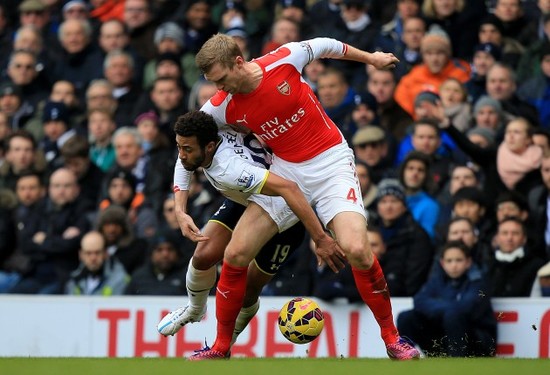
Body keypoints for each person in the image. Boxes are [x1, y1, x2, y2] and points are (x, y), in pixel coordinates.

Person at [170, 33, 419, 360]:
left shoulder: (283, 59)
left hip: (331, 163)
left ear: (239, 62)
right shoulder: (221, 105)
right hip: (285, 170)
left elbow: (327, 44)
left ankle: (392, 341)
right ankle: (220, 347)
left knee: (357, 249)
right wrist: (180, 208)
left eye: (222, 79)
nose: (220, 88)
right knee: (235, 255)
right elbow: (186, 149)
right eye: (213, 83)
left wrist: (371, 58)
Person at [157, 110, 338, 346]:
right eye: (179, 146)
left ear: (209, 147)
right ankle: (194, 310)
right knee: (203, 256)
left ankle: (224, 345)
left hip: (285, 213)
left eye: (187, 149)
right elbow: (185, 163)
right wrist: (180, 211)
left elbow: (289, 189)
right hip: (245, 200)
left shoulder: (230, 171)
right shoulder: (210, 130)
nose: (181, 154)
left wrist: (320, 237)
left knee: (248, 291)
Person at [397, 241, 497, 357]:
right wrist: (446, 309)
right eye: (449, 261)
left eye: (459, 260)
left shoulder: (479, 282)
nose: (454, 265)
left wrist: (440, 307)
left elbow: (467, 307)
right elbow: (419, 301)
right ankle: (405, 356)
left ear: (468, 262)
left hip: (478, 342)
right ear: (442, 263)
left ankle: (457, 362)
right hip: (444, 338)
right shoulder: (437, 280)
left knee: (453, 316)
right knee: (406, 317)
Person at [65, 230, 129, 296]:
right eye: (88, 253)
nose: (93, 258)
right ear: (81, 255)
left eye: (97, 253)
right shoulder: (74, 280)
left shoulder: (119, 279)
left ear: (105, 253)